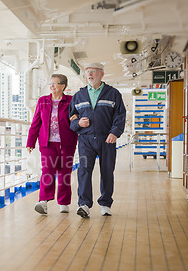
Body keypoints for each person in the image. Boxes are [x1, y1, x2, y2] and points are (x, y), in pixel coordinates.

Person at [69, 63, 126, 218]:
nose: (90, 74)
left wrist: (115, 133)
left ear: (102, 74)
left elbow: (120, 116)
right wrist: (78, 124)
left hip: (107, 139)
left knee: (107, 171)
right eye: (87, 72)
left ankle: (106, 204)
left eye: (93, 72)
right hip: (86, 140)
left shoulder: (113, 93)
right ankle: (84, 204)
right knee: (84, 171)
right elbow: (71, 117)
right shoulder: (78, 95)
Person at [26, 74, 78, 215]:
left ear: (63, 86)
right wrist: (30, 141)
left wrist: (76, 117)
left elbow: (76, 118)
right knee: (47, 172)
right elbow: (36, 122)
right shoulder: (43, 101)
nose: (52, 86)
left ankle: (64, 202)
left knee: (64, 173)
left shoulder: (71, 101)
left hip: (67, 143)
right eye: (51, 83)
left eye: (55, 83)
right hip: (47, 144)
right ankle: (43, 201)